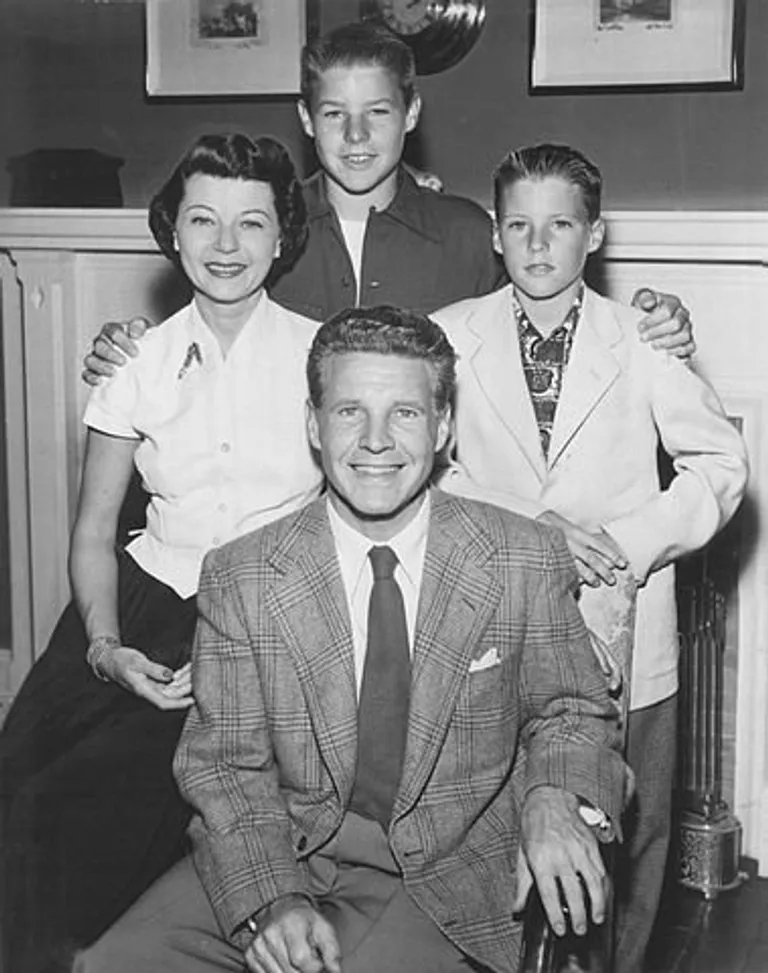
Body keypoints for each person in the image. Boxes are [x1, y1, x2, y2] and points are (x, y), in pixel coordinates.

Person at [76, 305, 629, 973]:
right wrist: (271, 899)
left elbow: (573, 708)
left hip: (448, 866)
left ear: (444, 424)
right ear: (312, 423)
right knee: (111, 962)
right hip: (285, 846)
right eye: (348, 412)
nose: (375, 440)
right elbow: (225, 765)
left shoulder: (521, 555)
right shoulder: (242, 573)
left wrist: (553, 797)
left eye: (404, 412)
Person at [0, 133, 324, 973]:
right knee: (17, 790)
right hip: (135, 609)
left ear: (282, 237)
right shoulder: (135, 360)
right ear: (171, 235)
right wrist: (104, 648)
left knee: (94, 818)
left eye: (250, 223)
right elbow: (92, 531)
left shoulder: (323, 358)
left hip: (258, 620)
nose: (226, 246)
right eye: (203, 220)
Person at [432, 143, 749, 973]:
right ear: (495, 237)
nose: (539, 245)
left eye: (561, 225)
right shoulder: (449, 337)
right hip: (496, 628)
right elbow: (430, 470)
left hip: (626, 627)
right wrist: (534, 525)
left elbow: (720, 466)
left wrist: (634, 544)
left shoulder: (641, 340)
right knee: (507, 826)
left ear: (595, 234)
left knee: (632, 840)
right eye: (519, 226)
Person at [80, 21, 694, 386]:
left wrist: (651, 325)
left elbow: (552, 319)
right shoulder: (259, 231)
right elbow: (202, 336)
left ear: (412, 114)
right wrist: (132, 346)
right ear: (304, 119)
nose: (354, 138)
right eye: (333, 115)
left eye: (376, 114)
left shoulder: (466, 233)